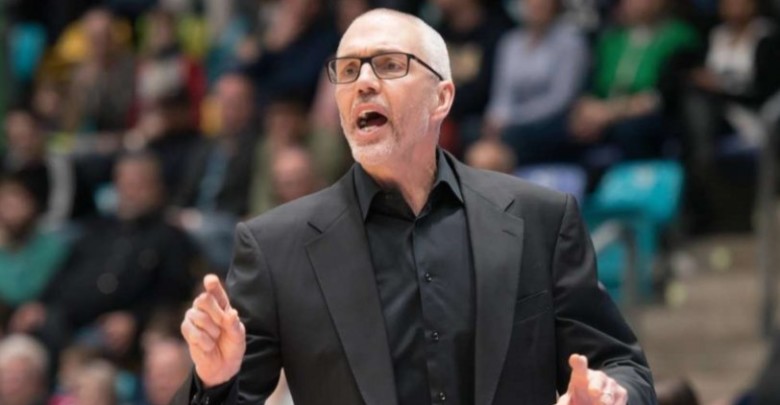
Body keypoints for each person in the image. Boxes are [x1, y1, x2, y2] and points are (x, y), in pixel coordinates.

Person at [175, 8, 655, 405]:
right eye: (348, 70)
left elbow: (621, 365)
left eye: (388, 65)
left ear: (441, 97)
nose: (363, 82)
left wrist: (611, 394)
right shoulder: (276, 247)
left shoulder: (540, 220)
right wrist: (215, 380)